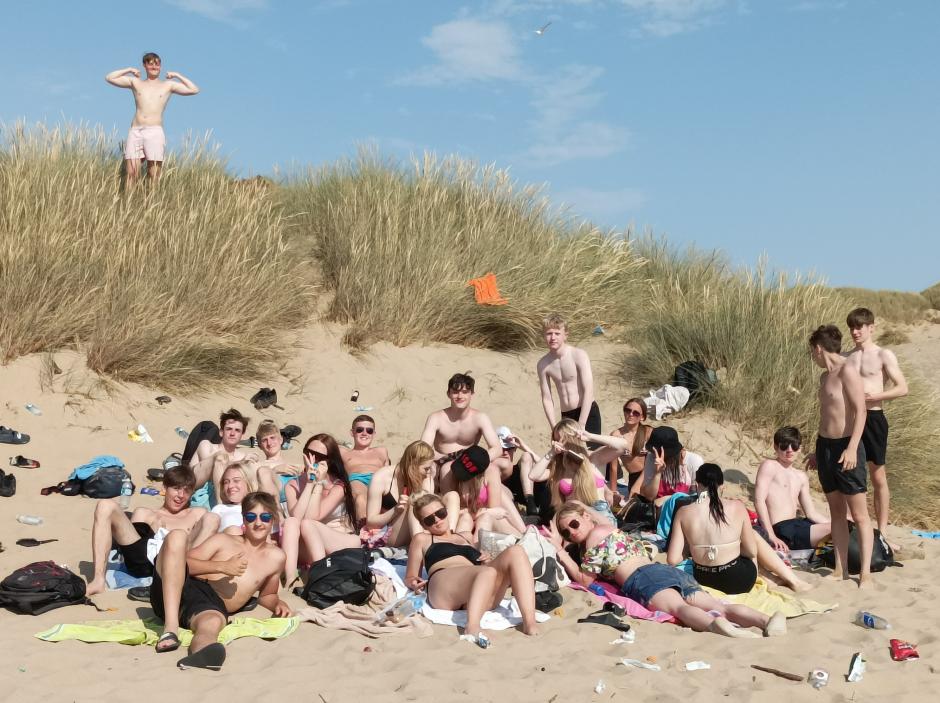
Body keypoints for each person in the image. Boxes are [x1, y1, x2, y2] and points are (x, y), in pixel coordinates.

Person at [550, 502, 786, 638]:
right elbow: (599, 519)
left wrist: (560, 552)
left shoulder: (592, 540)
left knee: (680, 608)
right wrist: (583, 509)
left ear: (585, 517)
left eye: (573, 525)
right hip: (665, 570)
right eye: (565, 533)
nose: (572, 533)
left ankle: (716, 626)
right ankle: (766, 621)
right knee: (716, 605)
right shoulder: (610, 529)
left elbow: (585, 580)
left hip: (641, 577)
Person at [150, 492, 290, 670]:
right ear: (243, 520)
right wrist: (221, 566)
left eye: (265, 517)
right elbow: (181, 563)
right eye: (251, 516)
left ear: (273, 520)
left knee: (212, 623)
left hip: (209, 605)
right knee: (177, 536)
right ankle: (170, 630)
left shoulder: (276, 557)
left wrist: (277, 603)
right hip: (178, 586)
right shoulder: (223, 540)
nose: (258, 522)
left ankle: (205, 653)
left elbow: (267, 594)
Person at [404, 493, 540, 647]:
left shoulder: (466, 538)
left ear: (446, 511)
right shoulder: (422, 539)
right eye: (429, 520)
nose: (437, 520)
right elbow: (410, 576)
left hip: (476, 589)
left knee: (516, 551)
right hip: (443, 584)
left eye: (440, 513)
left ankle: (529, 622)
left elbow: (485, 568)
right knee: (486, 572)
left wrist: (486, 560)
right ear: (423, 525)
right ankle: (472, 626)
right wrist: (413, 583)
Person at [807, 324, 873, 587]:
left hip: (848, 445)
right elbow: (827, 415)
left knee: (859, 514)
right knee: (836, 512)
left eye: (813, 351)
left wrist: (852, 447)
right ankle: (840, 568)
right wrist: (817, 450)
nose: (813, 356)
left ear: (819, 348)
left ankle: (865, 572)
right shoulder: (825, 377)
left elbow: (861, 412)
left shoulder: (848, 371)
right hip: (826, 447)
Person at [86, 466, 209, 595]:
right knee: (105, 505)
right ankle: (98, 580)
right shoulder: (146, 514)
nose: (181, 496)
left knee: (212, 518)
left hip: (178, 563)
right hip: (142, 563)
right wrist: (152, 532)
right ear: (164, 488)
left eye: (187, 491)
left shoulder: (196, 514)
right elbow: (130, 549)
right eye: (176, 489)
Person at [845, 307, 909, 542]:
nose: (855, 331)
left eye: (859, 326)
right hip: (851, 420)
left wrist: (876, 397)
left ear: (871, 327)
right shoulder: (847, 356)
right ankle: (857, 526)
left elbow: (902, 388)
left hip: (873, 418)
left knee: (877, 475)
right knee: (850, 473)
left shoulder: (883, 354)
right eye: (852, 327)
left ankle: (882, 531)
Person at [105, 52, 199, 185]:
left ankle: (151, 203)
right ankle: (128, 204)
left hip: (154, 131)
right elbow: (109, 77)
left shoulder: (168, 85)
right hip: (136, 130)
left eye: (157, 63)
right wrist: (129, 70)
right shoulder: (136, 82)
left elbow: (194, 89)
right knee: (132, 173)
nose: (154, 66)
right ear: (145, 65)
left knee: (153, 175)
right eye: (151, 63)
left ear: (160, 66)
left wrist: (177, 75)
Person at [667, 464, 759, 595]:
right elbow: (751, 552)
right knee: (752, 548)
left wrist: (693, 549)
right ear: (721, 486)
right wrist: (730, 549)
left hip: (704, 579)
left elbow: (672, 559)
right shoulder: (737, 506)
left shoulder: (683, 512)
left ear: (697, 484)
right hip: (738, 582)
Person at [284, 434, 361, 565]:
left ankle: (321, 574)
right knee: (291, 523)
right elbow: (296, 517)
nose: (312, 460)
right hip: (310, 544)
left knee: (307, 524)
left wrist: (318, 483)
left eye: (319, 457)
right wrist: (309, 483)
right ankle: (291, 578)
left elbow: (312, 517)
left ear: (329, 461)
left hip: (339, 541)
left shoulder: (338, 486)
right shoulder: (293, 484)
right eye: (309, 453)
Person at [420, 373, 504, 490]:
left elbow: (497, 448)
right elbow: (424, 449)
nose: (460, 396)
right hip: (441, 461)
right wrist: (443, 458)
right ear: (448, 394)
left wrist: (477, 461)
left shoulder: (480, 418)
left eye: (465, 392)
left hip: (468, 462)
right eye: (455, 392)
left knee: (503, 466)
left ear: (471, 394)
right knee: (435, 469)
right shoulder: (436, 418)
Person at [528, 419, 619, 525]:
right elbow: (533, 475)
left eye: (563, 439)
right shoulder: (559, 467)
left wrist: (590, 436)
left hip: (599, 516)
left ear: (574, 438)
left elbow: (622, 446)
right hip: (574, 519)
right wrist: (551, 452)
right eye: (556, 440)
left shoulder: (593, 458)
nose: (560, 444)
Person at [754, 426, 831, 553]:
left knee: (844, 527)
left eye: (794, 446)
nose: (789, 450)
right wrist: (771, 535)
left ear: (800, 448)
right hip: (782, 529)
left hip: (799, 524)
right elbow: (759, 501)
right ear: (775, 447)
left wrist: (837, 523)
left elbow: (811, 513)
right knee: (838, 531)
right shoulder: (770, 466)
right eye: (784, 446)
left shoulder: (801, 476)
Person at [536, 314, 600, 435]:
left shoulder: (578, 355)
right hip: (566, 416)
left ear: (565, 335)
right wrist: (554, 427)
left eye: (557, 333)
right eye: (549, 333)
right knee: (570, 454)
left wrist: (582, 424)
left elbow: (588, 390)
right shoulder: (543, 364)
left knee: (591, 453)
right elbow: (547, 398)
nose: (553, 337)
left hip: (587, 411)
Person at [365, 440, 437, 547]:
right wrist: (395, 511)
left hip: (421, 530)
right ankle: (422, 549)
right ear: (412, 465)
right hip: (389, 534)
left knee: (452, 496)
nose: (428, 474)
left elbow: (429, 513)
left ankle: (450, 540)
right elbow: (370, 523)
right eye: (426, 469)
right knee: (414, 502)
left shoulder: (426, 477)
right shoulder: (381, 477)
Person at [451, 446, 526, 536]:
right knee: (469, 519)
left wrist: (487, 512)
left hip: (483, 515)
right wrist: (486, 512)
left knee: (516, 526)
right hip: (466, 518)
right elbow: (450, 513)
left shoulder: (491, 471)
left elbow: (496, 511)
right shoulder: (450, 474)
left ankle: (523, 537)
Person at [188, 409, 253, 508]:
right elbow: (214, 470)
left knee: (253, 464)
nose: (232, 433)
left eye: (237, 430)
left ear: (241, 435)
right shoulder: (207, 446)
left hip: (228, 491)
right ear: (221, 432)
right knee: (221, 457)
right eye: (229, 429)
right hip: (198, 486)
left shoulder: (243, 456)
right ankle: (221, 507)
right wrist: (243, 463)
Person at [339, 415, 391, 523]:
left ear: (374, 434)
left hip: (379, 480)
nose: (364, 433)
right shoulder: (344, 452)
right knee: (361, 498)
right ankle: (366, 532)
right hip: (357, 480)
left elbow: (389, 473)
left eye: (369, 430)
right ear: (352, 432)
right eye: (359, 430)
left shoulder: (381, 451)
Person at [636, 426, 705, 504]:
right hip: (657, 508)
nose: (657, 456)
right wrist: (657, 473)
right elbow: (649, 497)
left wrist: (668, 500)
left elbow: (701, 498)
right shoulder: (652, 457)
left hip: (684, 509)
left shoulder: (694, 461)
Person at [607, 398, 652, 492]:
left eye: (636, 413)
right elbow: (613, 467)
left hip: (650, 474)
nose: (631, 414)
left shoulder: (648, 432)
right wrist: (614, 492)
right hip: (634, 477)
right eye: (628, 410)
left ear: (642, 417)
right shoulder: (616, 435)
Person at [207, 463, 254, 534]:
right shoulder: (219, 509)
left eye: (236, 480)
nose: (230, 486)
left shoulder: (259, 509)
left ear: (248, 483)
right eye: (226, 482)